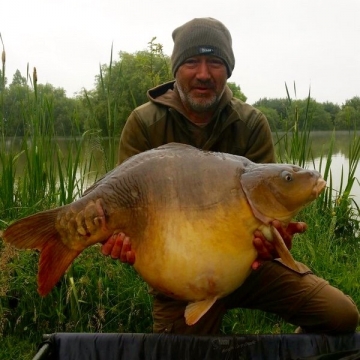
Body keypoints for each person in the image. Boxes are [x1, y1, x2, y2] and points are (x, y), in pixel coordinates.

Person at [102, 17, 359, 335]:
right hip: (180, 278)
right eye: (192, 62)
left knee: (341, 317)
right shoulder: (144, 123)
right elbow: (121, 208)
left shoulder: (251, 123)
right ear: (176, 68)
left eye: (215, 62)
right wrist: (122, 242)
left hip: (247, 268)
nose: (203, 74)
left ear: (228, 69)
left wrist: (275, 240)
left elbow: (269, 219)